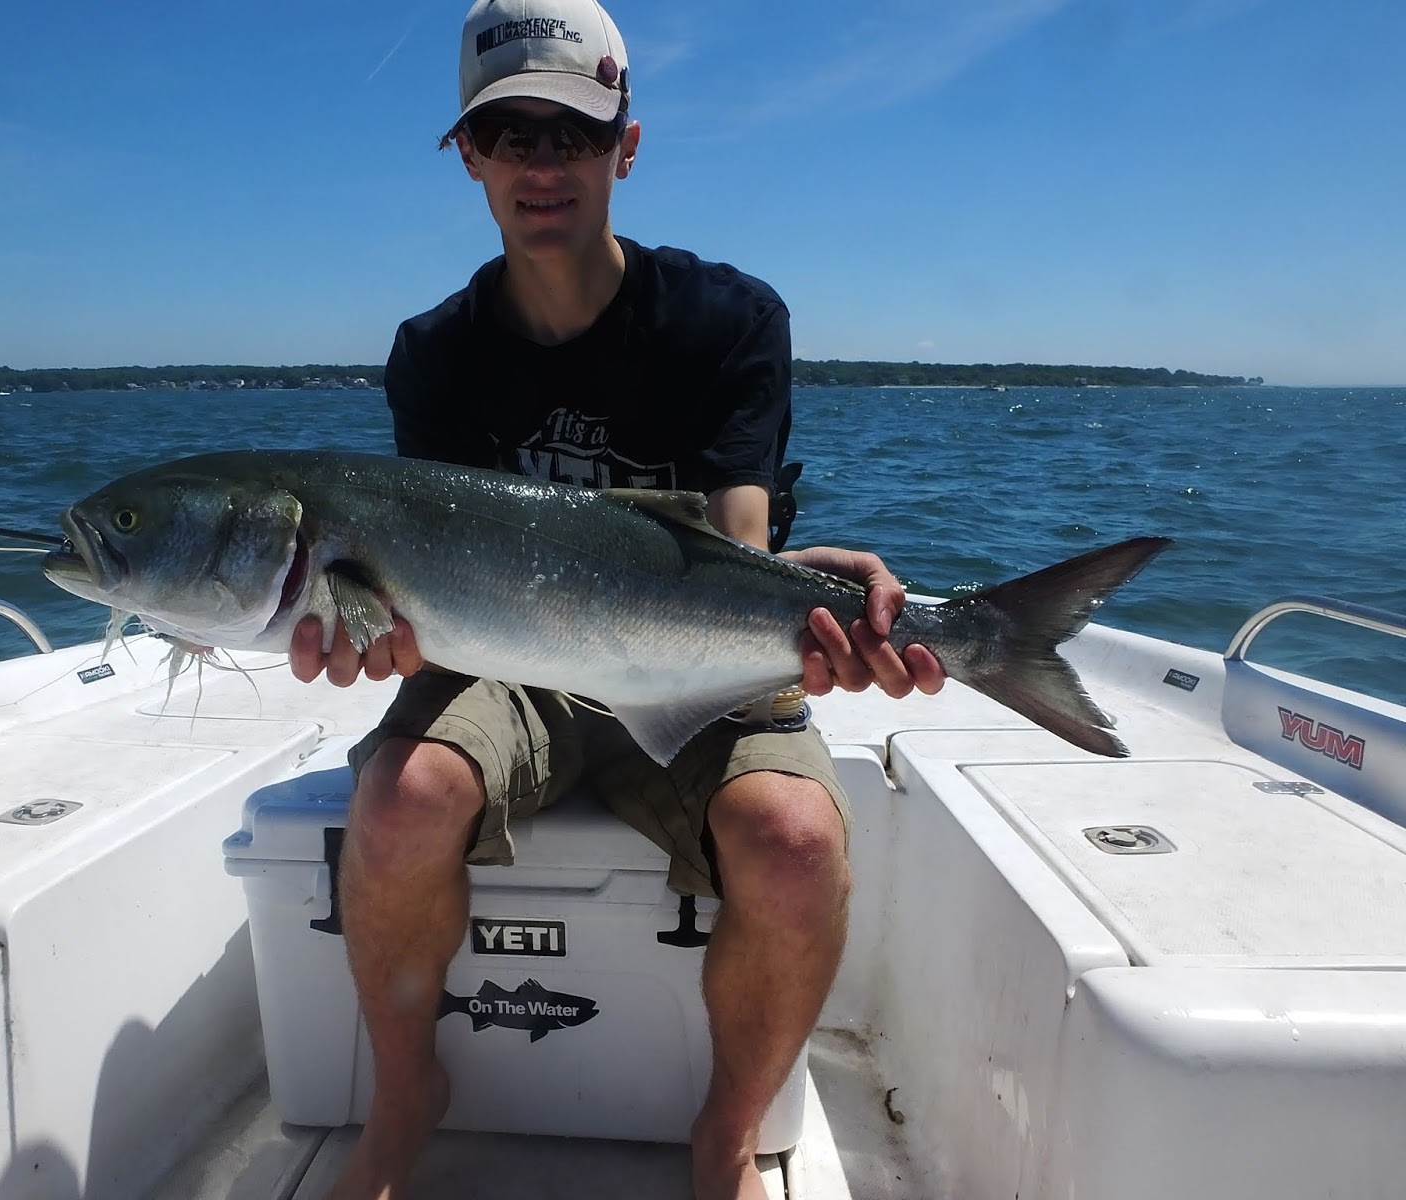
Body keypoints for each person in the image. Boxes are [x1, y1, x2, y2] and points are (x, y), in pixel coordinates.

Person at [289, 2, 944, 1197]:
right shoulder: (433, 352)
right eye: (511, 133)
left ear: (624, 148)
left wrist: (799, 609)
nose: (543, 163)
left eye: (572, 134)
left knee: (796, 845)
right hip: (508, 666)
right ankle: (403, 1101)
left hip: (694, 657)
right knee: (397, 802)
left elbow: (736, 538)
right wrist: (371, 639)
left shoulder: (729, 319)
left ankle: (727, 1133)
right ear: (467, 155)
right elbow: (425, 585)